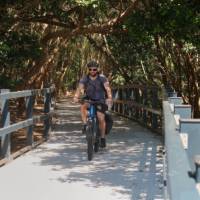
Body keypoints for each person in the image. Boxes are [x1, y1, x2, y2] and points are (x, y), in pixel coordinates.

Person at [73, 60, 113, 148]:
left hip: (100, 100)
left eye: (94, 69)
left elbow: (108, 89)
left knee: (101, 117)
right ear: (88, 69)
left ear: (97, 69)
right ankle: (84, 124)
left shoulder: (102, 78)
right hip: (89, 99)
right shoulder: (85, 78)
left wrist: (109, 98)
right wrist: (76, 96)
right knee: (83, 106)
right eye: (90, 69)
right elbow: (79, 88)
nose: (92, 71)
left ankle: (102, 138)